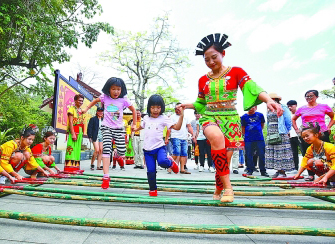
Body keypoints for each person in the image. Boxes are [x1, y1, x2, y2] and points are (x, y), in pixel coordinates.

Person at [177, 33, 282, 202]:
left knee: (223, 161)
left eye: (214, 57)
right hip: (210, 117)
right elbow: (200, 103)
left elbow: (252, 88)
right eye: (207, 60)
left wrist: (269, 100)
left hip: (231, 119)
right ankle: (228, 188)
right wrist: (185, 105)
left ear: (223, 54)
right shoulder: (202, 80)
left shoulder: (236, 72)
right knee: (216, 138)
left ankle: (219, 189)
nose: (211, 62)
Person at [83, 77, 136, 189]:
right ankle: (106, 176)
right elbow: (95, 100)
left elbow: (134, 110)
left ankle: (117, 154)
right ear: (109, 89)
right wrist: (86, 109)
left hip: (119, 128)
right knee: (106, 149)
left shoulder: (124, 100)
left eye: (118, 89)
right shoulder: (104, 97)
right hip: (106, 127)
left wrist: (134, 124)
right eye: (113, 89)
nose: (116, 92)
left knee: (122, 152)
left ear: (121, 90)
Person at [134, 94, 182, 196]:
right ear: (149, 108)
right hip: (147, 150)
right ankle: (153, 190)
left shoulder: (163, 118)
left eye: (158, 107)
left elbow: (176, 127)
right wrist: (135, 129)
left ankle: (171, 163)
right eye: (153, 107)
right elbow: (142, 126)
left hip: (159, 147)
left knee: (162, 162)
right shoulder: (146, 118)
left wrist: (182, 116)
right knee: (151, 171)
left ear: (162, 108)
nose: (155, 110)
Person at [292, 90, 335, 181]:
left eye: (311, 96)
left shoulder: (324, 107)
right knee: (308, 157)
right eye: (307, 96)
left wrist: (329, 126)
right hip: (307, 133)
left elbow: (333, 117)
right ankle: (311, 175)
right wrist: (297, 130)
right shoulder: (302, 108)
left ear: (316, 97)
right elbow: (293, 119)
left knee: (325, 154)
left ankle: (329, 176)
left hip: (322, 132)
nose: (308, 98)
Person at [265, 93, 294, 178]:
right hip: (271, 132)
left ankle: (283, 171)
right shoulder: (269, 109)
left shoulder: (282, 107)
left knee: (281, 151)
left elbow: (288, 119)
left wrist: (287, 130)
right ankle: (278, 170)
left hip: (280, 131)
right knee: (274, 152)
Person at [241, 106, 269, 177]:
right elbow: (243, 128)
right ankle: (250, 170)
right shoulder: (244, 117)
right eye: (249, 107)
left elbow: (262, 125)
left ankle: (263, 171)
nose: (251, 108)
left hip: (259, 138)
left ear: (256, 107)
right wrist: (245, 136)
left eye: (253, 107)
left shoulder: (260, 115)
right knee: (249, 154)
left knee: (261, 154)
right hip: (248, 139)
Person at [167, 103, 195, 174]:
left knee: (184, 153)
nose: (177, 111)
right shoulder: (172, 117)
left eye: (178, 109)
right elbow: (169, 128)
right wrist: (167, 138)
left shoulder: (186, 117)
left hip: (184, 137)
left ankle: (182, 169)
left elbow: (189, 126)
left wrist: (193, 134)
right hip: (175, 136)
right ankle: (169, 167)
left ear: (183, 109)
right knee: (176, 152)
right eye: (175, 109)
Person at [64, 94, 86, 172]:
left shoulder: (81, 111)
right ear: (75, 100)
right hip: (74, 129)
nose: (81, 102)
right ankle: (69, 167)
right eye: (79, 100)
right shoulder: (71, 109)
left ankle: (75, 167)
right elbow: (70, 122)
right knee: (71, 148)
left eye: (82, 101)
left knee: (77, 149)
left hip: (79, 131)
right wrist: (73, 133)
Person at [287, 100, 302, 174]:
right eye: (288, 106)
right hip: (291, 136)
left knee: (303, 152)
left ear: (296, 105)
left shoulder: (300, 114)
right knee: (293, 153)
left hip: (300, 135)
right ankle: (295, 168)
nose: (290, 108)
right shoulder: (288, 115)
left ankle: (307, 169)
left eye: (291, 106)